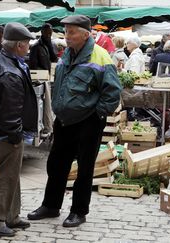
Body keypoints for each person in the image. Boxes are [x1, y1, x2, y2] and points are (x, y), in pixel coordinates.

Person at [27, 15, 122, 227]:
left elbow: (113, 91)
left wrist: (97, 113)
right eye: (66, 32)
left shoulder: (100, 56)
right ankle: (51, 206)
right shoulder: (66, 55)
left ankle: (79, 211)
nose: (66, 36)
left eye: (71, 32)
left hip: (88, 121)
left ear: (85, 34)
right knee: (56, 164)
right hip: (64, 120)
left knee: (85, 168)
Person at [0, 22, 37, 237]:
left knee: (11, 175)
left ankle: (11, 216)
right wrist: (15, 135)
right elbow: (10, 111)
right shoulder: (9, 71)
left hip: (6, 131)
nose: (29, 48)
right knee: (4, 177)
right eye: (27, 44)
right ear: (19, 46)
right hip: (6, 134)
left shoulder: (8, 61)